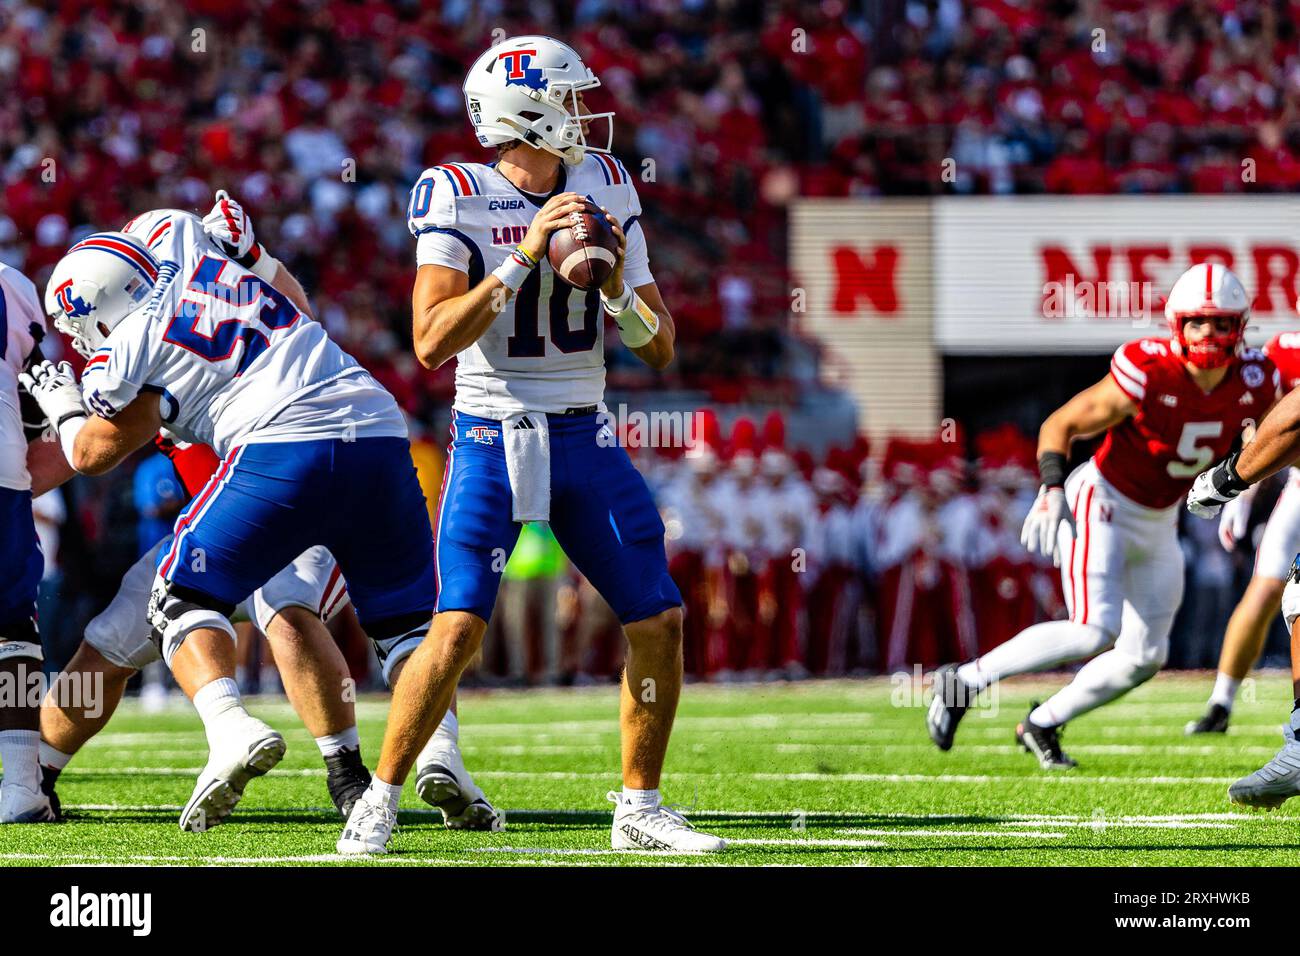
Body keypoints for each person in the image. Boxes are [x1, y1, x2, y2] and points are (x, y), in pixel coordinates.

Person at [337, 35, 724, 854]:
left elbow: (660, 348)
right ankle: (378, 798)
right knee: (457, 630)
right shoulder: (458, 192)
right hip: (491, 431)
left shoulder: (607, 185)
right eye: (572, 99)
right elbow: (431, 341)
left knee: (658, 617)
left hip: (584, 428)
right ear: (527, 112)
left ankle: (640, 809)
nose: (587, 115)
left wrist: (619, 289)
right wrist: (519, 256)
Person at [19, 198, 471, 835]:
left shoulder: (136, 351)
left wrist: (61, 407)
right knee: (112, 635)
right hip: (275, 481)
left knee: (280, 606)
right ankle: (36, 773)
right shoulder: (199, 278)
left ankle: (338, 766)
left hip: (279, 478)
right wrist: (258, 258)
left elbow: (93, 448)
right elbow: (295, 317)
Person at [927, 263, 1278, 769]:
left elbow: (1266, 440)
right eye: (1198, 322)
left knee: (1146, 656)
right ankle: (963, 681)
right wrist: (1050, 488)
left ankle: (1042, 722)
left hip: (1161, 518)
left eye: (1221, 323)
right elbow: (1062, 423)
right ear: (1176, 324)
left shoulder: (1255, 378)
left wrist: (1245, 493)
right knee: (1094, 630)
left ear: (1240, 327)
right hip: (1105, 499)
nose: (1208, 334)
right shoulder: (1149, 369)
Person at [1186, 329, 1300, 734]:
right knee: (1268, 590)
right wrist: (1243, 492)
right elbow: (1267, 430)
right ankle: (1221, 700)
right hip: (1299, 490)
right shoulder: (1283, 352)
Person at [0, 259, 70, 823]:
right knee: (12, 626)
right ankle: (22, 782)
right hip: (4, 468)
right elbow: (38, 398)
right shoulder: (14, 283)